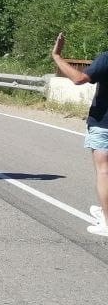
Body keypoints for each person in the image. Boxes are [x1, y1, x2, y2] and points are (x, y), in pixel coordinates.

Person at [51, 32, 108, 237]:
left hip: (104, 124)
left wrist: (57, 56)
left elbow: (79, 79)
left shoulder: (106, 58)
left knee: (104, 172)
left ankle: (107, 222)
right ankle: (104, 210)